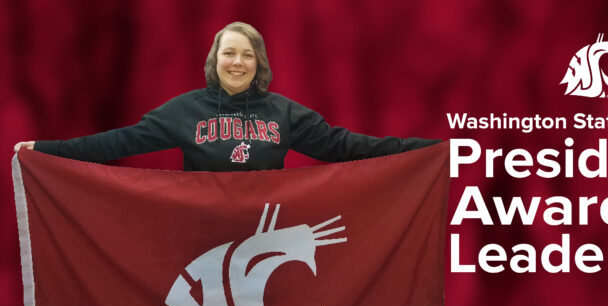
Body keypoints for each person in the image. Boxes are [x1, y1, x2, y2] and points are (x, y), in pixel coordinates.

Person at [13, 22, 439, 171]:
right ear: (215, 59)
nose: (237, 62)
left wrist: (428, 151)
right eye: (229, 53)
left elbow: (345, 147)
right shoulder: (185, 110)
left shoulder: (285, 112)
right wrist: (47, 151)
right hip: (200, 239)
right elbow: (119, 142)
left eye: (247, 54)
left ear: (260, 63)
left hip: (264, 235)